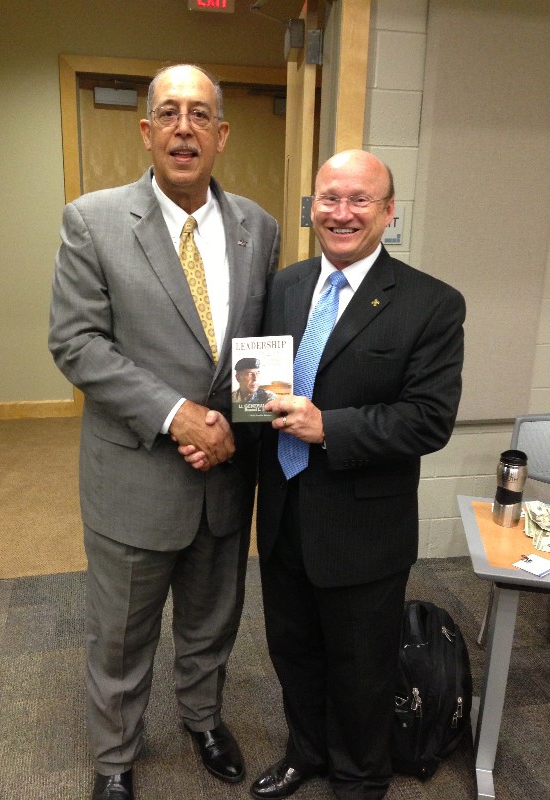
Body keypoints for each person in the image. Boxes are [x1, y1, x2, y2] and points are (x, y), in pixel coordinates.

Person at [48, 63, 279, 800]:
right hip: (135, 476)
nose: (185, 127)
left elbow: (258, 348)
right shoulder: (94, 220)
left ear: (221, 133)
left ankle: (203, 719)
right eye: (169, 113)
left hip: (223, 474)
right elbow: (77, 343)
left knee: (213, 619)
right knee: (120, 633)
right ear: (146, 132)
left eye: (200, 114)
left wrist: (237, 427)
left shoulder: (259, 227)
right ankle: (114, 758)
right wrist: (176, 414)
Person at [250, 150, 465, 800]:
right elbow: (259, 388)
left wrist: (330, 428)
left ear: (388, 211)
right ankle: (305, 752)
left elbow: (428, 420)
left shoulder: (431, 304)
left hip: (363, 532)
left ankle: (359, 778)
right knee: (293, 651)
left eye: (360, 200)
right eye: (329, 198)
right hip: (284, 514)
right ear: (312, 206)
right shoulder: (285, 286)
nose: (341, 213)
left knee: (361, 672)